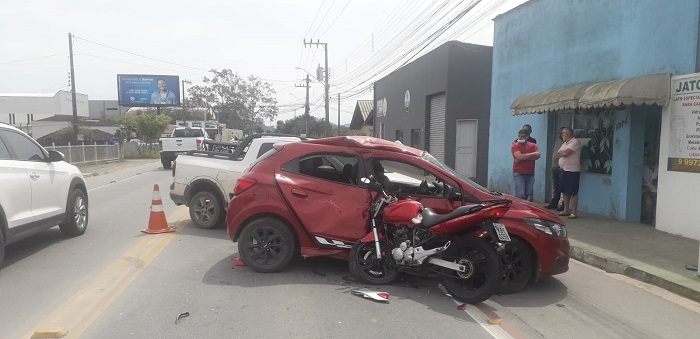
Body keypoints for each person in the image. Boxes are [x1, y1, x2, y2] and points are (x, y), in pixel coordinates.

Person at [555, 127, 581, 219]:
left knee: (573, 191)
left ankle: (574, 211)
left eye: (562, 133)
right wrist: (562, 153)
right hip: (563, 170)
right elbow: (557, 155)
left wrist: (563, 153)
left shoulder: (574, 142)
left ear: (567, 134)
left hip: (572, 171)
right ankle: (566, 210)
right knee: (564, 191)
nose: (561, 135)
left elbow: (566, 153)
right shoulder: (564, 144)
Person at [511, 129, 540, 201]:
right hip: (519, 172)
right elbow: (519, 156)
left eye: (522, 136)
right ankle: (519, 208)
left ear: (527, 137)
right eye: (519, 136)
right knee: (520, 194)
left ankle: (524, 207)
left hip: (530, 172)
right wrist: (532, 154)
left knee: (528, 193)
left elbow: (538, 156)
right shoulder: (515, 145)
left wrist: (522, 158)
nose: (520, 138)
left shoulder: (533, 145)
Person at [544, 127, 565, 210]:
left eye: (561, 133)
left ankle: (564, 204)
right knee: (555, 187)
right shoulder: (557, 141)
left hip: (562, 168)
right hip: (555, 166)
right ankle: (554, 203)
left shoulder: (567, 143)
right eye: (559, 133)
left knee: (563, 187)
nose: (559, 135)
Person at [642, 153, 658, 225]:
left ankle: (654, 223)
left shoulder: (659, 169)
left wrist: (658, 181)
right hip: (647, 192)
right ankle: (648, 221)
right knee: (649, 204)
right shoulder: (643, 168)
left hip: (657, 192)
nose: (650, 163)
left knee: (657, 206)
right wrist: (644, 186)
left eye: (652, 161)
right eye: (649, 161)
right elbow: (638, 180)